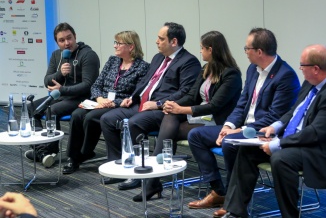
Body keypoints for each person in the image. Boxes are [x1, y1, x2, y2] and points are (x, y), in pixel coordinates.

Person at [221, 44, 326, 218]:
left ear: (315, 69)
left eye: (302, 65)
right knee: (247, 149)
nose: (300, 69)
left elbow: (315, 133)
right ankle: (236, 211)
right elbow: (294, 110)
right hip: (299, 142)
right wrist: (275, 126)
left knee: (281, 158)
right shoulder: (311, 82)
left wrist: (278, 143)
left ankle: (289, 215)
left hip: (323, 151)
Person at [187, 28, 300, 215]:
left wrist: (240, 129)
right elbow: (241, 104)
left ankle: (233, 203)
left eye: (247, 48)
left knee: (230, 143)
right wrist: (228, 126)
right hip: (240, 128)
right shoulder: (252, 69)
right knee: (196, 136)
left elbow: (275, 116)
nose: (245, 52)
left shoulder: (285, 76)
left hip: (263, 131)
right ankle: (219, 191)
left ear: (259, 52)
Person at [132, 31, 243, 202]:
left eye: (202, 48)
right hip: (199, 118)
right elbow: (191, 96)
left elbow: (214, 106)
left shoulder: (231, 75)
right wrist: (170, 104)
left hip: (218, 121)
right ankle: (154, 179)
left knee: (169, 130)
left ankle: (154, 180)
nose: (200, 52)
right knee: (169, 119)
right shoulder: (207, 69)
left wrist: (180, 109)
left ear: (211, 50)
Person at [100, 22, 201, 188]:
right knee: (107, 119)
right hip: (142, 104)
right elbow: (146, 83)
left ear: (173, 42)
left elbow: (185, 92)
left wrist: (158, 104)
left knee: (134, 123)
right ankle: (120, 167)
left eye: (161, 39)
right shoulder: (158, 57)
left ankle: (140, 173)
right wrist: (132, 97)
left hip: (164, 109)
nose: (156, 41)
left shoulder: (189, 62)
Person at [62, 31, 150, 174]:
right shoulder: (112, 61)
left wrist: (113, 102)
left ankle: (84, 153)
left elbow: (137, 94)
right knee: (77, 114)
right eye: (115, 43)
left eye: (118, 43)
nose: (115, 46)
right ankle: (72, 157)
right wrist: (100, 99)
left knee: (91, 117)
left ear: (131, 47)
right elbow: (96, 85)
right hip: (101, 100)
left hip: (119, 104)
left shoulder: (143, 67)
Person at [24, 22, 100, 168]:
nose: (67, 43)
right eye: (62, 40)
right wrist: (60, 73)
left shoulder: (88, 55)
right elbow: (47, 79)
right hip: (61, 95)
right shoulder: (56, 55)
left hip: (81, 98)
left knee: (51, 110)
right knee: (29, 108)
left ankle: (50, 149)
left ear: (75, 36)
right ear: (57, 42)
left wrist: (62, 90)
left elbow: (88, 85)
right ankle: (42, 151)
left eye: (69, 38)